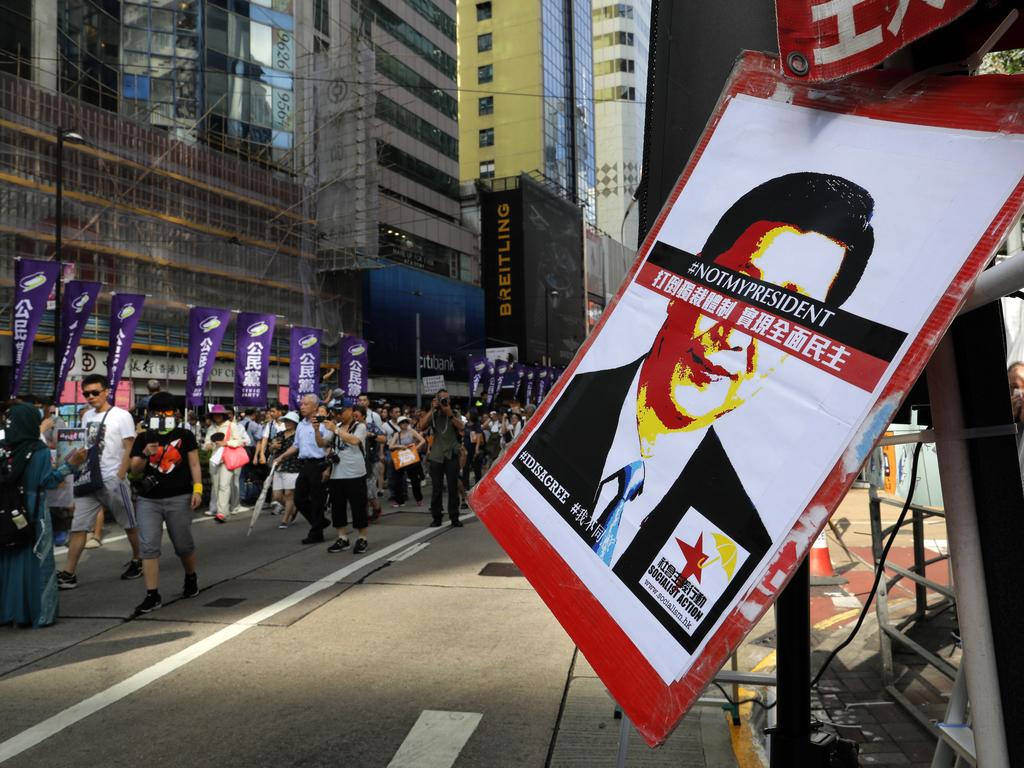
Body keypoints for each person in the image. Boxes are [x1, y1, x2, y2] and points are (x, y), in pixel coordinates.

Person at [512, 172, 876, 651]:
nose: (737, 336)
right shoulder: (557, 421)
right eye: (736, 286)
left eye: (786, 314)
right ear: (687, 282)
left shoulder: (739, 521)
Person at [0, 404, 87, 627]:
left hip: (6, 510)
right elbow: (48, 481)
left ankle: (8, 612)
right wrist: (71, 465)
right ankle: (39, 613)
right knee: (37, 559)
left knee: (8, 558)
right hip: (33, 509)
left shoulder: (3, 449)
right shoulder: (37, 451)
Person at [58, 374, 144, 590]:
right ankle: (69, 573)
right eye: (86, 393)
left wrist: (120, 475)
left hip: (112, 478)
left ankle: (139, 558)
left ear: (107, 391)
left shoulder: (122, 415)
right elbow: (88, 445)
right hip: (89, 478)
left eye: (95, 392)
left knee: (129, 523)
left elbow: (129, 446)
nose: (90, 397)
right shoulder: (86, 417)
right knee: (78, 527)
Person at [127, 393, 202, 615]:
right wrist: (145, 452)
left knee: (183, 544)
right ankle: (152, 595)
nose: (162, 415)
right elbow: (135, 470)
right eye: (157, 411)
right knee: (148, 547)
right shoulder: (143, 437)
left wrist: (197, 489)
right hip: (148, 499)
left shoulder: (185, 435)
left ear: (175, 413)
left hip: (179, 496)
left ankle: (191, 576)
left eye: (167, 411)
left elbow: (195, 464)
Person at [274, 394, 331, 544]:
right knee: (299, 498)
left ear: (315, 407)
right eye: (301, 404)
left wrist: (328, 468)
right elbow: (296, 446)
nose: (302, 406)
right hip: (305, 464)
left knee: (318, 500)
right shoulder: (301, 424)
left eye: (306, 404)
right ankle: (319, 522)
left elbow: (330, 446)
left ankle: (316, 533)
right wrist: (282, 457)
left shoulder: (323, 423)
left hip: (319, 464)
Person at [325, 404, 370, 554]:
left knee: (358, 506)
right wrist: (316, 429)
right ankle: (342, 538)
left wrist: (335, 430)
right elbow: (322, 444)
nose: (338, 414)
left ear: (350, 411)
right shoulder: (335, 426)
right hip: (337, 473)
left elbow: (355, 441)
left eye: (341, 411)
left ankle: (362, 538)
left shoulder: (360, 426)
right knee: (337, 507)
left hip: (355, 473)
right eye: (336, 411)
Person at [417, 388, 464, 527]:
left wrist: (450, 414)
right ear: (436, 400)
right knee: (437, 488)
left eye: (446, 399)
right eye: (441, 399)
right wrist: (432, 409)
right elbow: (421, 426)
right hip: (437, 455)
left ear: (450, 400)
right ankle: (437, 517)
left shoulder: (455, 413)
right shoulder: (434, 414)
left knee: (452, 487)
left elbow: (461, 428)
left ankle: (454, 517)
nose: (444, 401)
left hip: (452, 454)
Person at [203, 405, 250, 523]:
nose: (217, 416)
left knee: (224, 485)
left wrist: (226, 443)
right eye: (215, 414)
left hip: (227, 459)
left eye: (219, 414)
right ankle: (221, 510)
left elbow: (239, 441)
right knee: (216, 486)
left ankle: (222, 513)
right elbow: (206, 444)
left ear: (224, 414)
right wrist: (207, 445)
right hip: (214, 460)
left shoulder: (231, 425)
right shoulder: (211, 428)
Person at [269, 411, 301, 528]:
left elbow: (298, 449)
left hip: (293, 466)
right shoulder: (280, 434)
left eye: (290, 421)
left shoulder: (298, 435)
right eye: (286, 421)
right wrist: (273, 446)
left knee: (289, 494)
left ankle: (285, 519)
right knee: (277, 495)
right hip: (279, 466)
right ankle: (292, 509)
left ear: (295, 423)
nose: (287, 423)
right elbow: (271, 448)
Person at [388, 416, 425, 507]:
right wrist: (400, 446)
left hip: (411, 458)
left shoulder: (412, 431)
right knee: (398, 480)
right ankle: (399, 500)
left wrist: (415, 448)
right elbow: (390, 446)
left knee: (414, 480)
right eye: (402, 423)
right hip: (401, 458)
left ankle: (418, 499)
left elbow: (422, 440)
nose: (404, 424)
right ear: (399, 425)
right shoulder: (397, 434)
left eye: (406, 422)